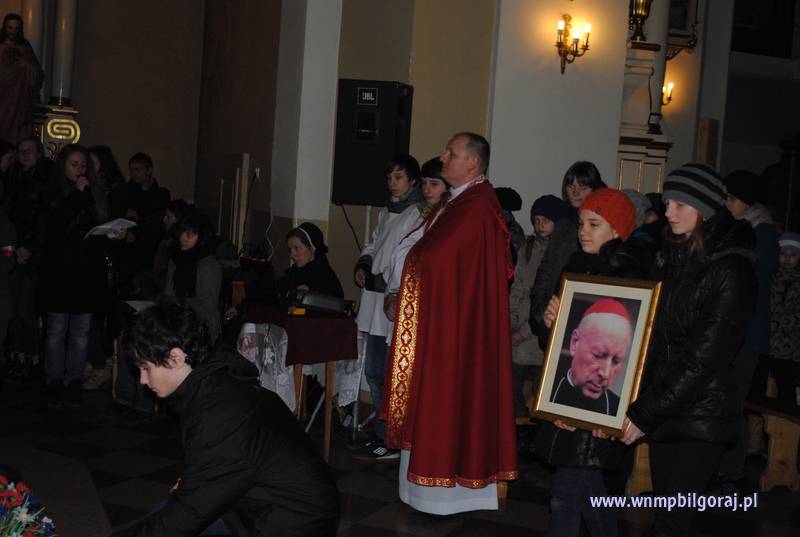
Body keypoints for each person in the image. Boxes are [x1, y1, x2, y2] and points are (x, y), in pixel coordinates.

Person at [111, 299, 339, 537]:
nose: (142, 380)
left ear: (176, 358)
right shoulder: (212, 378)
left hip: (293, 521)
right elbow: (227, 459)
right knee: (165, 513)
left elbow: (189, 513)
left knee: (171, 521)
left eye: (146, 368)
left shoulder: (219, 412)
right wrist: (197, 477)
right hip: (255, 504)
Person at [382, 132, 517, 514]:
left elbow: (438, 260)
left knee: (448, 400)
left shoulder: (477, 207)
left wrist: (413, 266)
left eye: (451, 153)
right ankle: (421, 491)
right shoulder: (455, 202)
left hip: (457, 329)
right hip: (438, 320)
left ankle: (447, 497)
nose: (443, 157)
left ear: (472, 162)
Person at [624, 163, 757, 537]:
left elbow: (704, 358)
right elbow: (650, 329)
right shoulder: (674, 253)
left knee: (672, 522)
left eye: (680, 204)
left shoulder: (732, 267)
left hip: (703, 414)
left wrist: (645, 411)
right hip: (668, 408)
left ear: (706, 208)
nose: (669, 212)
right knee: (665, 516)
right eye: (668, 202)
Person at [536, 188, 642, 537]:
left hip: (600, 406)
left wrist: (613, 415)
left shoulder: (632, 278)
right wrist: (550, 322)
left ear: (617, 230)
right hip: (569, 400)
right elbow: (561, 346)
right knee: (589, 494)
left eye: (594, 224)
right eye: (581, 223)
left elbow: (637, 355)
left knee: (565, 497)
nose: (583, 231)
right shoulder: (575, 269)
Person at [352, 154, 422, 460]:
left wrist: (382, 282)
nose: (392, 183)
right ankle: (382, 433)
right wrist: (364, 264)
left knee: (387, 374)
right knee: (372, 371)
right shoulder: (387, 210)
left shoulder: (417, 214)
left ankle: (390, 437)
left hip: (391, 302)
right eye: (390, 177)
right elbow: (374, 244)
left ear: (413, 181)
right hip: (374, 300)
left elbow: (404, 258)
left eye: (399, 177)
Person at [715, 169, 780, 488]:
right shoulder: (739, 227)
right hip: (734, 328)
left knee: (734, 401)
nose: (726, 203)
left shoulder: (762, 232)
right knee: (725, 399)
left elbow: (755, 282)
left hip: (748, 332)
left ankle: (732, 468)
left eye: (730, 198)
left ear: (745, 201)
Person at [39, 144, 108, 408]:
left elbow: (94, 229)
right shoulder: (54, 192)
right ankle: (54, 379)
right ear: (63, 166)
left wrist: (111, 234)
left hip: (85, 272)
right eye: (74, 164)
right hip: (60, 271)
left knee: (81, 331)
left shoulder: (92, 192)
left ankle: (73, 380)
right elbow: (58, 228)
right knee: (56, 329)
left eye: (83, 165)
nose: (80, 170)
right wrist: (81, 195)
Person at [529, 161, 607, 337]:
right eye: (571, 187)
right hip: (551, 308)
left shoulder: (603, 225)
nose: (576, 193)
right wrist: (539, 310)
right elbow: (546, 267)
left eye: (583, 187)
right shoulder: (563, 223)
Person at [508, 194, 567, 418]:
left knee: (539, 388)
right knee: (513, 385)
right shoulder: (529, 246)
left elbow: (547, 296)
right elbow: (519, 285)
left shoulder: (559, 251)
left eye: (546, 220)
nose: (540, 225)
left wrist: (525, 330)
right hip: (520, 323)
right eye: (537, 220)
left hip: (539, 329)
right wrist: (510, 317)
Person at [549, 299, 633, 415]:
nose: (605, 374)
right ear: (575, 342)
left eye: (616, 360)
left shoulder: (619, 410)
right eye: (599, 355)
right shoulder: (546, 391)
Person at [164, 213, 222, 341]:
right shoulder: (175, 260)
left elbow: (207, 308)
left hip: (202, 330)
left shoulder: (208, 265)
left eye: (190, 234)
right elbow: (168, 295)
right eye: (182, 232)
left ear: (201, 238)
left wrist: (179, 303)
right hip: (176, 323)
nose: (183, 237)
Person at [765, 232, 800, 403]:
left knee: (786, 390)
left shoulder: (797, 283)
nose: (787, 259)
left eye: (793, 255)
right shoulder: (771, 278)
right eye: (783, 254)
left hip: (788, 349)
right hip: (766, 345)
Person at [0, 14, 43, 144]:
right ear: (4, 28)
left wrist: (25, 66)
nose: (12, 31)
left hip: (19, 99)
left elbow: (36, 72)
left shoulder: (25, 47)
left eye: (16, 28)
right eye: (10, 27)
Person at [125, 152, 170, 274]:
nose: (134, 174)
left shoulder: (161, 195)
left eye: (138, 170)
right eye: (131, 170)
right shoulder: (127, 192)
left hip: (152, 248)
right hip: (131, 249)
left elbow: (157, 222)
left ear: (149, 170)